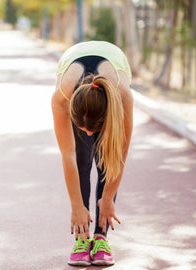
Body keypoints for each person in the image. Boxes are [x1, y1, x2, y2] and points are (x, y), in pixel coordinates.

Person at [51, 41, 133, 266]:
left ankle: (101, 239)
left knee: (105, 159)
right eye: (83, 128)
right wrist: (77, 206)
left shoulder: (122, 97)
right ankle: (82, 238)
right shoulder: (61, 97)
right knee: (81, 159)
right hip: (75, 66)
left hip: (112, 66)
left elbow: (120, 154)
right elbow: (67, 156)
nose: (87, 132)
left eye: (93, 129)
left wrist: (107, 198)